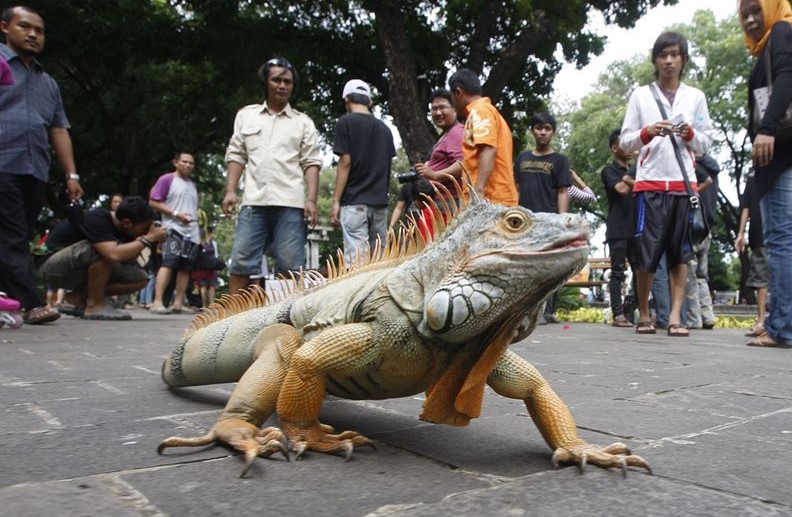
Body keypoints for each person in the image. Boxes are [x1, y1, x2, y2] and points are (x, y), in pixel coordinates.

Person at [620, 31, 714, 337]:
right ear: (655, 60)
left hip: (681, 185)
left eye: (674, 55)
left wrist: (688, 134)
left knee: (680, 253)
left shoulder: (696, 97)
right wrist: (648, 131)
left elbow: (706, 142)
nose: (669, 61)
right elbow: (625, 140)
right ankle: (645, 314)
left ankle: (676, 316)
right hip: (649, 184)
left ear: (683, 60)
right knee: (645, 254)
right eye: (663, 55)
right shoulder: (640, 96)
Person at [0, 6, 84, 324]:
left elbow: (58, 129)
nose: (33, 34)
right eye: (25, 26)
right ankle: (32, 302)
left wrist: (71, 174)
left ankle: (7, 302)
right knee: (12, 235)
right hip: (2, 162)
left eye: (40, 30)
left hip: (34, 168)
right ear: (5, 27)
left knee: (16, 237)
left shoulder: (48, 83)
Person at [223, 57, 322, 294]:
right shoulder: (247, 116)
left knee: (290, 267)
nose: (282, 85)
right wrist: (230, 191)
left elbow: (311, 163)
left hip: (291, 204)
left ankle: (284, 322)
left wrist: (311, 200)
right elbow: (236, 155)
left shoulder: (303, 122)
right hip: (254, 202)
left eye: (287, 81)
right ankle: (231, 318)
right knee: (240, 263)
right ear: (266, 82)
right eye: (277, 79)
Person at [739, 0, 792, 348]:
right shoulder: (767, 46)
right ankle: (778, 319)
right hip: (777, 153)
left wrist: (768, 128)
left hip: (781, 152)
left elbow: (787, 77)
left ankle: (783, 326)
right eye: (744, 14)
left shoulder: (782, 32)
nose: (751, 19)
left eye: (757, 9)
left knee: (781, 239)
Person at [38, 196, 167, 320]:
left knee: (139, 278)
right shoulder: (97, 218)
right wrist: (148, 238)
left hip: (76, 269)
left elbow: (127, 261)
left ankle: (79, 298)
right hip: (50, 266)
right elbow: (112, 255)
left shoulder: (129, 231)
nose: (145, 232)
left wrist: (146, 241)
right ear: (127, 222)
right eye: (144, 228)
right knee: (103, 252)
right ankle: (95, 305)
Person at [514, 112, 572, 324]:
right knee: (526, 267)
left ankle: (547, 311)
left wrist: (563, 219)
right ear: (533, 130)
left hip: (549, 220)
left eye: (547, 128)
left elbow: (563, 191)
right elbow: (517, 187)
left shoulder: (560, 160)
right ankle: (526, 311)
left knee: (550, 266)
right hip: (526, 222)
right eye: (539, 128)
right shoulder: (522, 159)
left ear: (553, 132)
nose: (543, 132)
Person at [332, 79, 395, 263]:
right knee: (378, 262)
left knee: (357, 264)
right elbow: (386, 167)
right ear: (369, 102)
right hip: (380, 204)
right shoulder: (385, 129)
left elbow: (345, 162)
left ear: (346, 101)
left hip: (354, 203)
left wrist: (336, 200)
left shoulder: (345, 122)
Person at [448, 68, 518, 207]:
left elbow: (488, 148)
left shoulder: (480, 111)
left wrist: (478, 191)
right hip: (492, 200)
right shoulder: (486, 111)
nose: (453, 104)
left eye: (452, 98)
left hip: (491, 202)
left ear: (458, 92)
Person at [148, 152, 200, 314]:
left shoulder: (193, 185)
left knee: (186, 268)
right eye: (184, 161)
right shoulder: (167, 179)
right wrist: (176, 214)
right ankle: (157, 301)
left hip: (192, 232)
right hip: (173, 228)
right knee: (168, 263)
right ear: (176, 163)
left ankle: (178, 303)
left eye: (191, 163)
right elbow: (153, 202)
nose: (188, 165)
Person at [600, 130, 637, 328]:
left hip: (638, 229)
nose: (631, 147)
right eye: (626, 143)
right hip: (618, 228)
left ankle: (633, 310)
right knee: (617, 272)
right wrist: (639, 166)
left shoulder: (635, 170)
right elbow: (621, 190)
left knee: (641, 271)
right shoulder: (609, 171)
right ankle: (618, 314)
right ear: (615, 148)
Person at [684, 154, 718, 329]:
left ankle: (694, 318)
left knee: (689, 273)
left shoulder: (692, 167)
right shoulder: (712, 168)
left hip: (692, 225)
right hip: (706, 227)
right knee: (701, 275)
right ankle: (707, 314)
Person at [735, 172, 769, 338]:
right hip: (760, 235)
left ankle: (762, 321)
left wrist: (741, 233)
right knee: (761, 280)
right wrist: (741, 233)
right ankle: (761, 321)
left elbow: (746, 207)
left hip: (769, 234)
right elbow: (746, 207)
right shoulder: (752, 178)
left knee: (762, 280)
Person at [413, 89, 464, 199]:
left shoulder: (457, 132)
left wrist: (434, 175)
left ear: (454, 108)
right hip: (441, 201)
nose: (438, 113)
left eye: (442, 107)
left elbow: (462, 164)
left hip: (450, 202)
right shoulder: (446, 135)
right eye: (434, 109)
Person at [192, 226, 219, 307]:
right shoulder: (201, 243)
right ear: (209, 233)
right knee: (204, 285)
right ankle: (204, 304)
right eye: (212, 233)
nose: (213, 234)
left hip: (210, 267)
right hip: (204, 268)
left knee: (211, 285)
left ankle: (210, 304)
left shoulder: (212, 243)